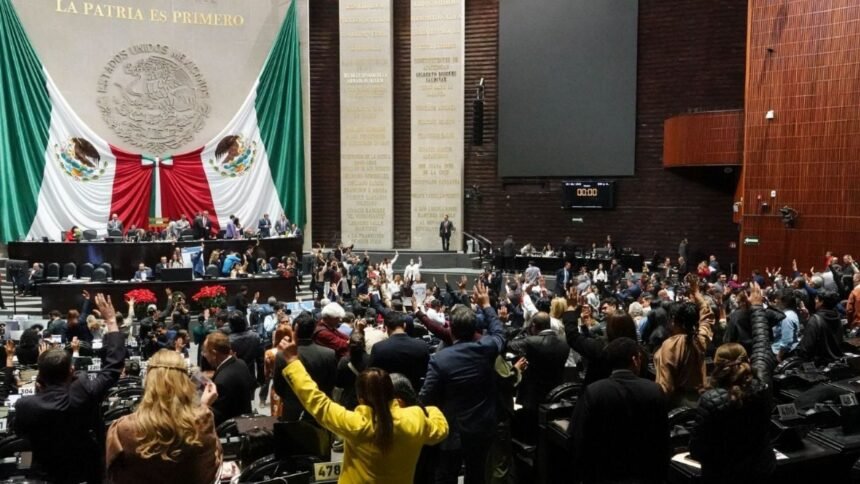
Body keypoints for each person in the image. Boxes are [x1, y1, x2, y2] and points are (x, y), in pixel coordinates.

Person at [278, 324, 448, 484]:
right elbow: (441, 430)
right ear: (392, 393)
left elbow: (316, 402)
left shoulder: (356, 424)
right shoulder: (415, 418)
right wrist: (427, 409)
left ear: (361, 399)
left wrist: (293, 361)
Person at [14, 293, 126, 484]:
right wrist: (110, 321)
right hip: (87, 472)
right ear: (72, 370)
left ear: (40, 375)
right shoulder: (83, 393)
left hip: (47, 475)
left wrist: (40, 377)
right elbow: (113, 367)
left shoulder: (25, 406)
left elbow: (20, 434)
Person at [420, 282, 506, 484]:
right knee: (476, 474)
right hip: (482, 427)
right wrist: (486, 306)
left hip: (452, 429)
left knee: (446, 474)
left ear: (452, 330)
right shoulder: (487, 348)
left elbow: (426, 397)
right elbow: (499, 332)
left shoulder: (440, 359)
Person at [690, 283, 776, 483]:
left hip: (723, 474)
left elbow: (697, 449)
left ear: (717, 367)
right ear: (746, 360)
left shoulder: (710, 400)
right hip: (761, 471)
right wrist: (756, 308)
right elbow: (762, 344)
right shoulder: (761, 384)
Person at [105, 350, 221, 484]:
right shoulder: (203, 421)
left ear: (148, 381)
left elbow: (115, 476)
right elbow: (211, 470)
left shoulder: (122, 429)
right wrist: (203, 406)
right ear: (185, 382)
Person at [570, 337, 668, 484]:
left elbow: (580, 438)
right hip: (643, 474)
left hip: (604, 473)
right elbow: (662, 439)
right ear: (635, 360)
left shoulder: (594, 391)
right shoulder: (654, 390)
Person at [653, 274, 715, 407]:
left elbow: (666, 387)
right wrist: (697, 293)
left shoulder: (669, 345)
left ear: (673, 320)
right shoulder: (699, 338)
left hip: (679, 405)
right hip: (700, 400)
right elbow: (707, 318)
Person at [507, 311, 569, 442]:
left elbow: (508, 345)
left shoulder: (530, 341)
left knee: (531, 432)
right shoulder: (565, 341)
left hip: (532, 395)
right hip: (555, 393)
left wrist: (525, 329)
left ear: (533, 325)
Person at [274, 311, 337, 421]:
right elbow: (330, 384)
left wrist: (291, 398)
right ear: (313, 331)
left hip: (292, 409)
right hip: (319, 409)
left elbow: (278, 387)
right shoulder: (329, 354)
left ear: (294, 331)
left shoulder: (282, 355)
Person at [369, 312, 430, 393]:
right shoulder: (422, 346)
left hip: (389, 393)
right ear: (404, 325)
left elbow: (372, 375)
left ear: (386, 328)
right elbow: (427, 372)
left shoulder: (378, 348)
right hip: (415, 392)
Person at [203, 331, 255, 425]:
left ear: (214, 354)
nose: (204, 355)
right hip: (247, 420)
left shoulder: (221, 382)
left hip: (233, 430)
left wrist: (202, 405)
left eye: (205, 352)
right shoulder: (241, 363)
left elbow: (217, 418)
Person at [797, 289, 844, 364]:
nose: (815, 300)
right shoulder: (837, 316)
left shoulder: (815, 320)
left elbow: (805, 348)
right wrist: (807, 318)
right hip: (836, 362)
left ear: (821, 302)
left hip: (820, 364)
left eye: (816, 298)